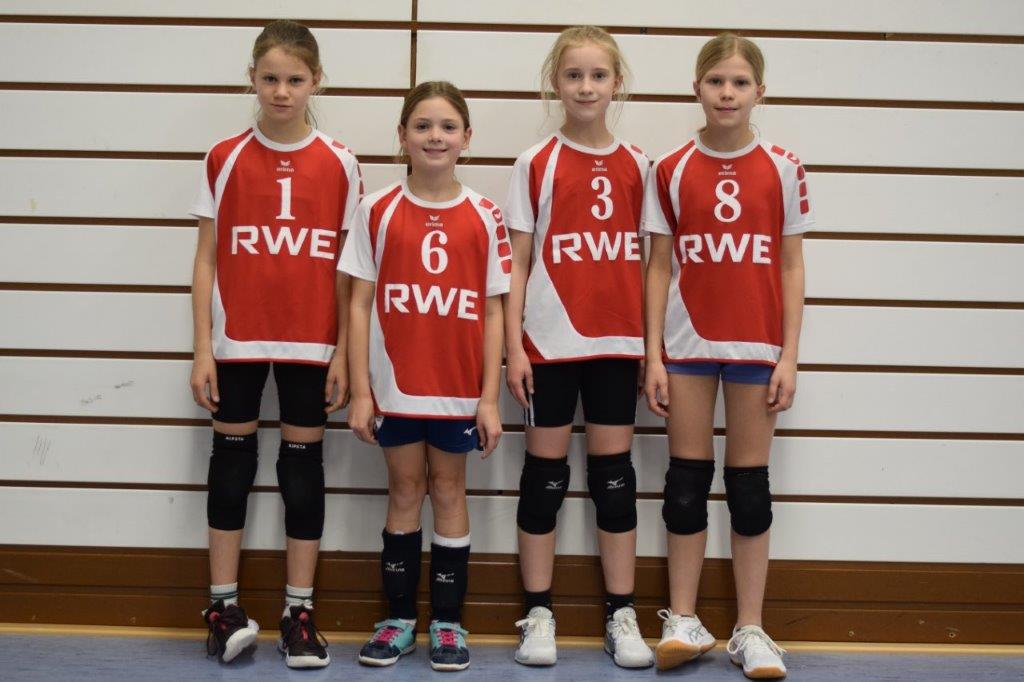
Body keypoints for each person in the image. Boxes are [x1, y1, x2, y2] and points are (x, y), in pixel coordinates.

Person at [188, 19, 362, 669]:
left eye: (294, 79)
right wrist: (203, 347)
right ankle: (222, 608)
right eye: (270, 79)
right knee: (231, 467)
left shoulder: (341, 161)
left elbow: (350, 270)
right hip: (236, 339)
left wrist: (343, 351)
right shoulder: (224, 156)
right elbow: (206, 259)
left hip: (310, 343)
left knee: (302, 475)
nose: (282, 91)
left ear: (316, 81)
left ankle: (299, 613)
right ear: (252, 80)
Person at [642, 32, 813, 679]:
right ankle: (683, 620)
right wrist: (653, 355)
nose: (727, 93)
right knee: (686, 484)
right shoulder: (671, 168)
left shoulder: (784, 167)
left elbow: (791, 266)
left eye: (740, 82)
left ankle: (750, 628)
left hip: (757, 347)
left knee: (749, 489)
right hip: (687, 346)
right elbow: (658, 266)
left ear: (759, 92)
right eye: (716, 81)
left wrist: (789, 356)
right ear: (697, 88)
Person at [340, 81, 511, 672]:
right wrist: (361, 391)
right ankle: (397, 622)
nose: (435, 137)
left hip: (458, 391)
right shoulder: (376, 209)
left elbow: (493, 311)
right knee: (405, 491)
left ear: (466, 138)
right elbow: (359, 304)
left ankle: (447, 623)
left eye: (447, 127)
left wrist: (489, 398)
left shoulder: (485, 215)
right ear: (402, 136)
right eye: (422, 126)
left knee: (450, 492)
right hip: (396, 388)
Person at [504, 25, 653, 669]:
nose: (586, 87)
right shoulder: (535, 162)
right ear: (554, 83)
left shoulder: (641, 165)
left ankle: (621, 613)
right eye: (573, 75)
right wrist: (513, 348)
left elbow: (652, 264)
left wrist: (652, 353)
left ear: (616, 83)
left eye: (598, 75)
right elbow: (516, 262)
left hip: (617, 345)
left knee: (615, 482)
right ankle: (538, 612)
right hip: (548, 346)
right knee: (543, 480)